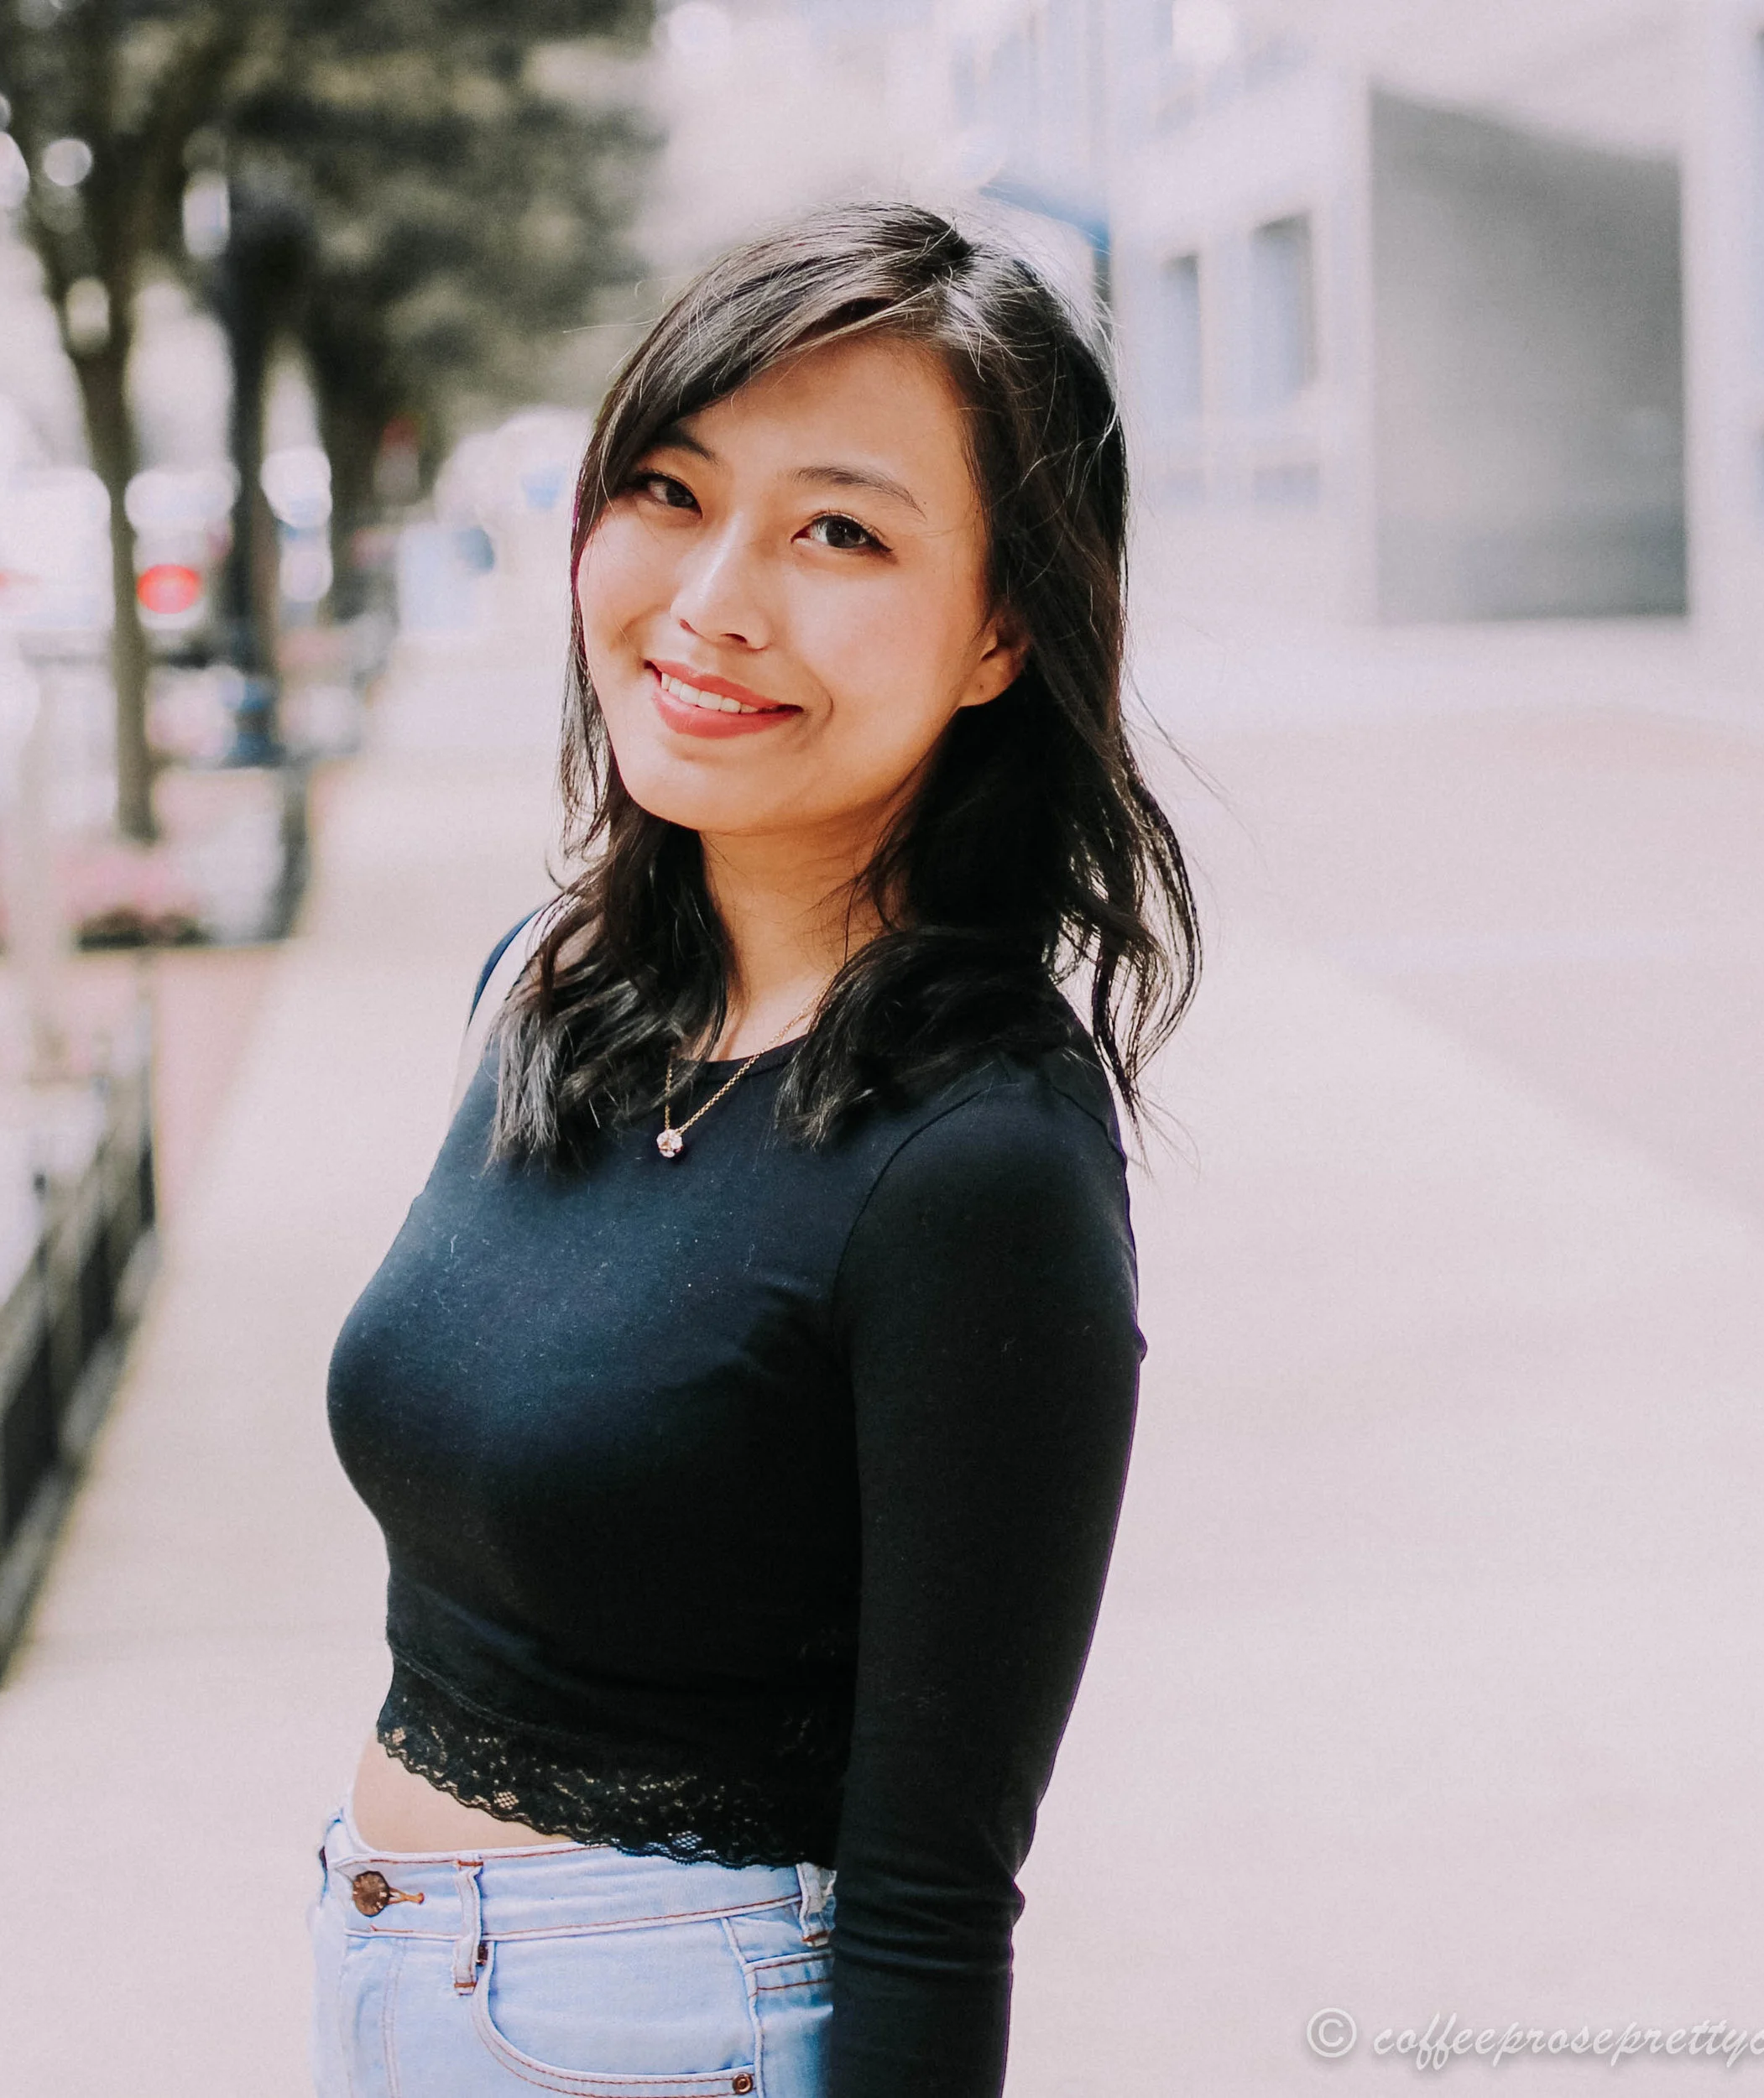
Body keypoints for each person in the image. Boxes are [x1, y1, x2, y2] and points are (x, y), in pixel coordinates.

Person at [314, 201, 1198, 2098]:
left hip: (662, 2032)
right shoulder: (554, 991)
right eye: (666, 486)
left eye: (838, 531)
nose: (712, 596)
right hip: (396, 1974)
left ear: (996, 635)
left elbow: (932, 1893)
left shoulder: (976, 1160)